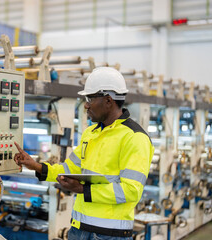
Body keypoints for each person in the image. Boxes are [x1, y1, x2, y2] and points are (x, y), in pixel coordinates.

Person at [14, 67, 154, 240]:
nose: (86, 105)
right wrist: (35, 165)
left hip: (109, 235)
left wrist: (82, 189)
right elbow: (68, 168)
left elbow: (130, 190)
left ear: (108, 100)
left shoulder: (135, 138)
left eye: (90, 99)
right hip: (78, 229)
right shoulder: (91, 133)